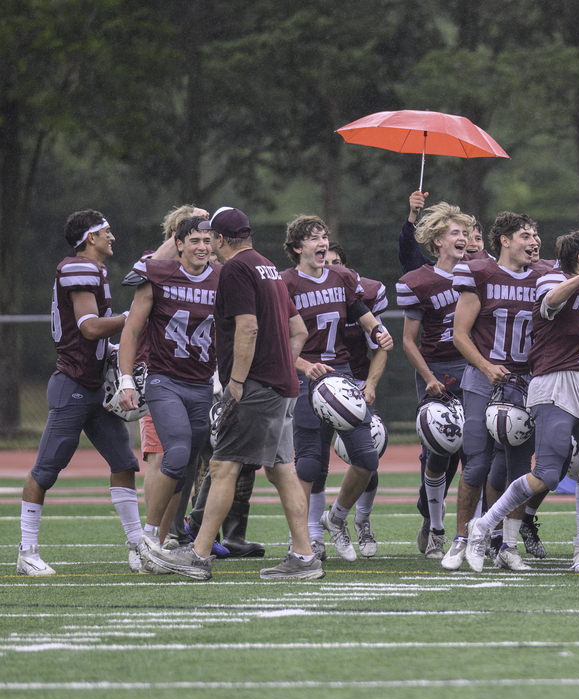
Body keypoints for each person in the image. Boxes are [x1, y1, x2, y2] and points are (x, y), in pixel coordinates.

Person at [148, 207, 321, 580]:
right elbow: (299, 331)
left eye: (210, 237)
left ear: (221, 240)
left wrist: (237, 382)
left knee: (223, 466)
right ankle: (305, 557)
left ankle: (198, 556)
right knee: (283, 471)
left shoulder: (236, 270)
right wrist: (282, 367)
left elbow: (247, 328)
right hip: (283, 385)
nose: (207, 245)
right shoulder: (268, 267)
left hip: (256, 387)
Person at [463, 231, 579, 575]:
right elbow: (552, 302)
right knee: (546, 475)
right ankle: (482, 527)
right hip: (552, 383)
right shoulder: (553, 277)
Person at [17, 211, 141, 576]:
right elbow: (89, 328)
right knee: (46, 469)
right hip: (72, 384)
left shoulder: (96, 270)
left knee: (124, 463)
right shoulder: (78, 268)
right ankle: (27, 551)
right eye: (106, 232)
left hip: (94, 384)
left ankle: (137, 545)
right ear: (90, 238)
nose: (112, 237)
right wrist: (134, 317)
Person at [281, 216, 393, 563]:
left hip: (341, 376)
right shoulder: (286, 284)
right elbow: (277, 341)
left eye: (325, 236)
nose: (322, 243)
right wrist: (303, 365)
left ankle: (337, 517)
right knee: (310, 464)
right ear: (297, 247)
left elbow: (363, 314)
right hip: (307, 378)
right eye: (314, 238)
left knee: (367, 457)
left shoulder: (342, 277)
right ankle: (302, 539)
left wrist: (378, 332)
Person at [117, 216, 220, 572]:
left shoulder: (222, 279)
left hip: (202, 383)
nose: (202, 247)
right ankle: (147, 540)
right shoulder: (157, 274)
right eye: (194, 240)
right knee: (174, 452)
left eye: (207, 239)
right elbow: (131, 330)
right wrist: (127, 379)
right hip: (165, 380)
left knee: (186, 465)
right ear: (178, 243)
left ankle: (157, 543)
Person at [449, 211, 549, 572]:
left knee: (520, 466)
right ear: (505, 241)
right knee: (476, 462)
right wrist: (487, 367)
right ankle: (462, 538)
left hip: (524, 381)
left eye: (536, 234)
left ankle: (507, 545)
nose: (534, 241)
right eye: (525, 234)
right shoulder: (480, 273)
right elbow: (460, 334)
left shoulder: (544, 277)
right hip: (482, 377)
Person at [397, 203, 474, 559]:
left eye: (466, 232)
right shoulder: (420, 281)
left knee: (477, 454)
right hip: (437, 371)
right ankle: (435, 526)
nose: (463, 238)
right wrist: (427, 377)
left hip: (472, 369)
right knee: (439, 453)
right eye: (455, 233)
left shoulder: (479, 273)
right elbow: (408, 341)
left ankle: (473, 531)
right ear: (438, 240)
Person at [324, 241, 389, 557]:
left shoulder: (361, 297)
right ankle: (312, 534)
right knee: (309, 459)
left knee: (369, 454)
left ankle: (360, 520)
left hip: (356, 384)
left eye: (338, 262)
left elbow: (380, 346)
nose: (332, 268)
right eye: (326, 262)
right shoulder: (305, 294)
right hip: (316, 383)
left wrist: (371, 385)